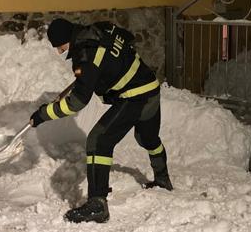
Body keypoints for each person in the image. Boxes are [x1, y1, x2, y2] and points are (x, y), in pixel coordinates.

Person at [30, 18, 172, 224]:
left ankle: (97, 204)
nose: (60, 52)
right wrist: (101, 68)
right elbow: (127, 38)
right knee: (147, 138)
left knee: (98, 141)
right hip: (149, 87)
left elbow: (76, 103)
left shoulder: (85, 56)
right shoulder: (100, 29)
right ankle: (163, 179)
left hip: (133, 96)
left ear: (66, 39)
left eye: (59, 46)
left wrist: (43, 114)